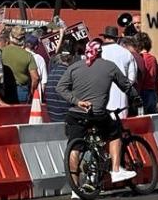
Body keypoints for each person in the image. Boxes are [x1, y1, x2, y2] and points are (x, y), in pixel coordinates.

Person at [57, 39, 140, 185]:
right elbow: (126, 86)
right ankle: (115, 170)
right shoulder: (109, 67)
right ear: (100, 53)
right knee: (114, 133)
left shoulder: (74, 67)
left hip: (75, 113)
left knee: (74, 147)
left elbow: (60, 88)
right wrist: (136, 98)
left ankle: (76, 188)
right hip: (96, 113)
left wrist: (76, 101)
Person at [100, 27, 137, 117]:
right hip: (121, 101)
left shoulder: (98, 52)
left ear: (105, 38)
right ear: (117, 39)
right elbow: (132, 79)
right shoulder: (127, 53)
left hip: (100, 99)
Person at [1, 26, 38, 103]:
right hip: (21, 90)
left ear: (10, 37)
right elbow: (35, 78)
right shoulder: (28, 55)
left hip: (3, 88)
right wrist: (31, 93)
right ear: (24, 39)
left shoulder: (1, 52)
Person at [44, 37, 76, 123]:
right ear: (73, 57)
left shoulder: (52, 71)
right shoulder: (70, 74)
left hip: (53, 118)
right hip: (66, 120)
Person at [136, 32, 158, 114]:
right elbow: (156, 78)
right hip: (152, 92)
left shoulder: (139, 58)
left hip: (142, 92)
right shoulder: (153, 58)